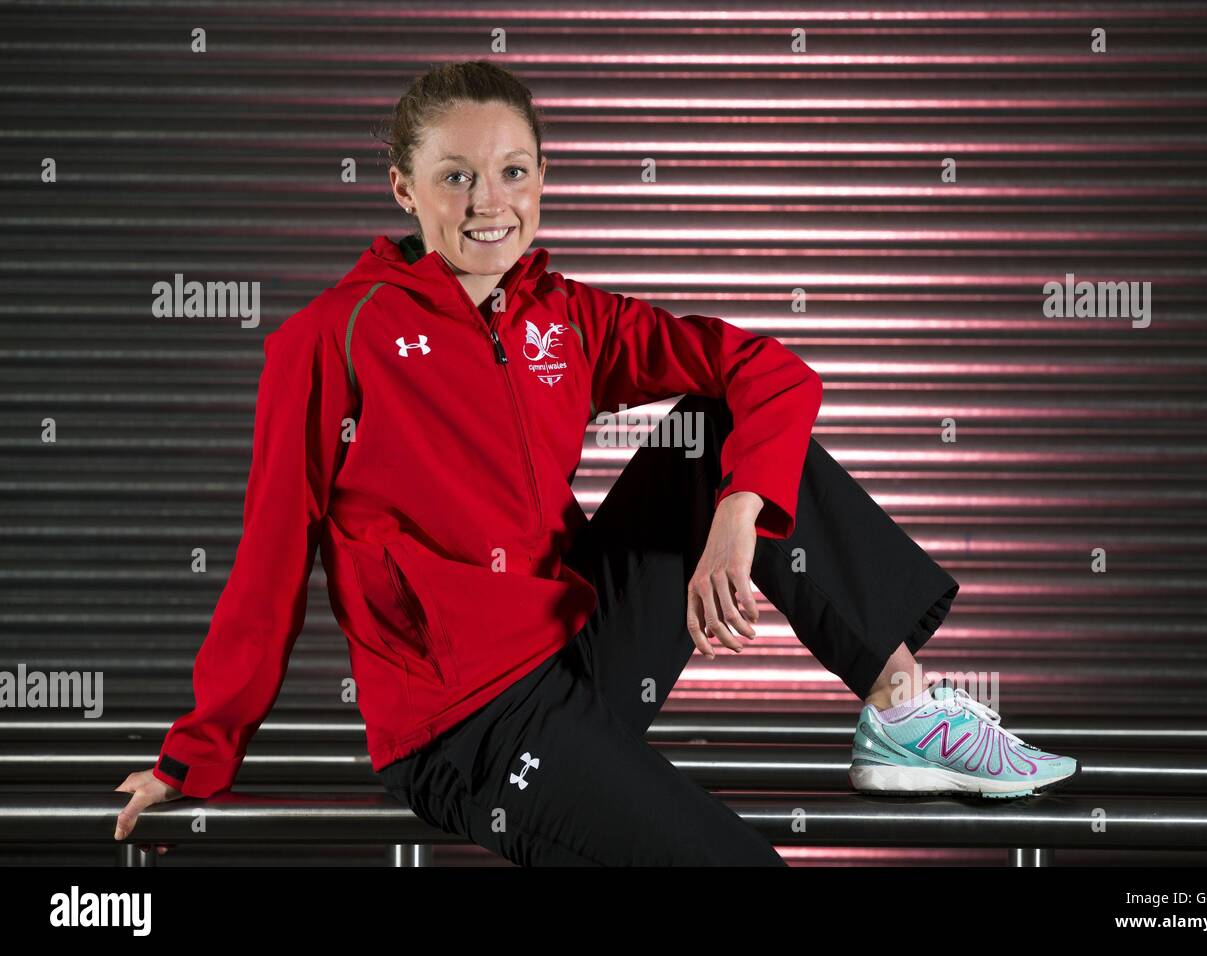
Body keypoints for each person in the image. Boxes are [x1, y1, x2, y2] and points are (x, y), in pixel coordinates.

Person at [113, 60, 1077, 865]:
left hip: (583, 652)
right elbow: (268, 558)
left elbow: (769, 372)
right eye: (456, 177)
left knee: (715, 428)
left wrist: (740, 514)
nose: (490, 204)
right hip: (470, 727)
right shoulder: (332, 340)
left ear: (543, 179)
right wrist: (194, 756)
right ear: (403, 189)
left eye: (514, 172)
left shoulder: (563, 316)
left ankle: (900, 711)